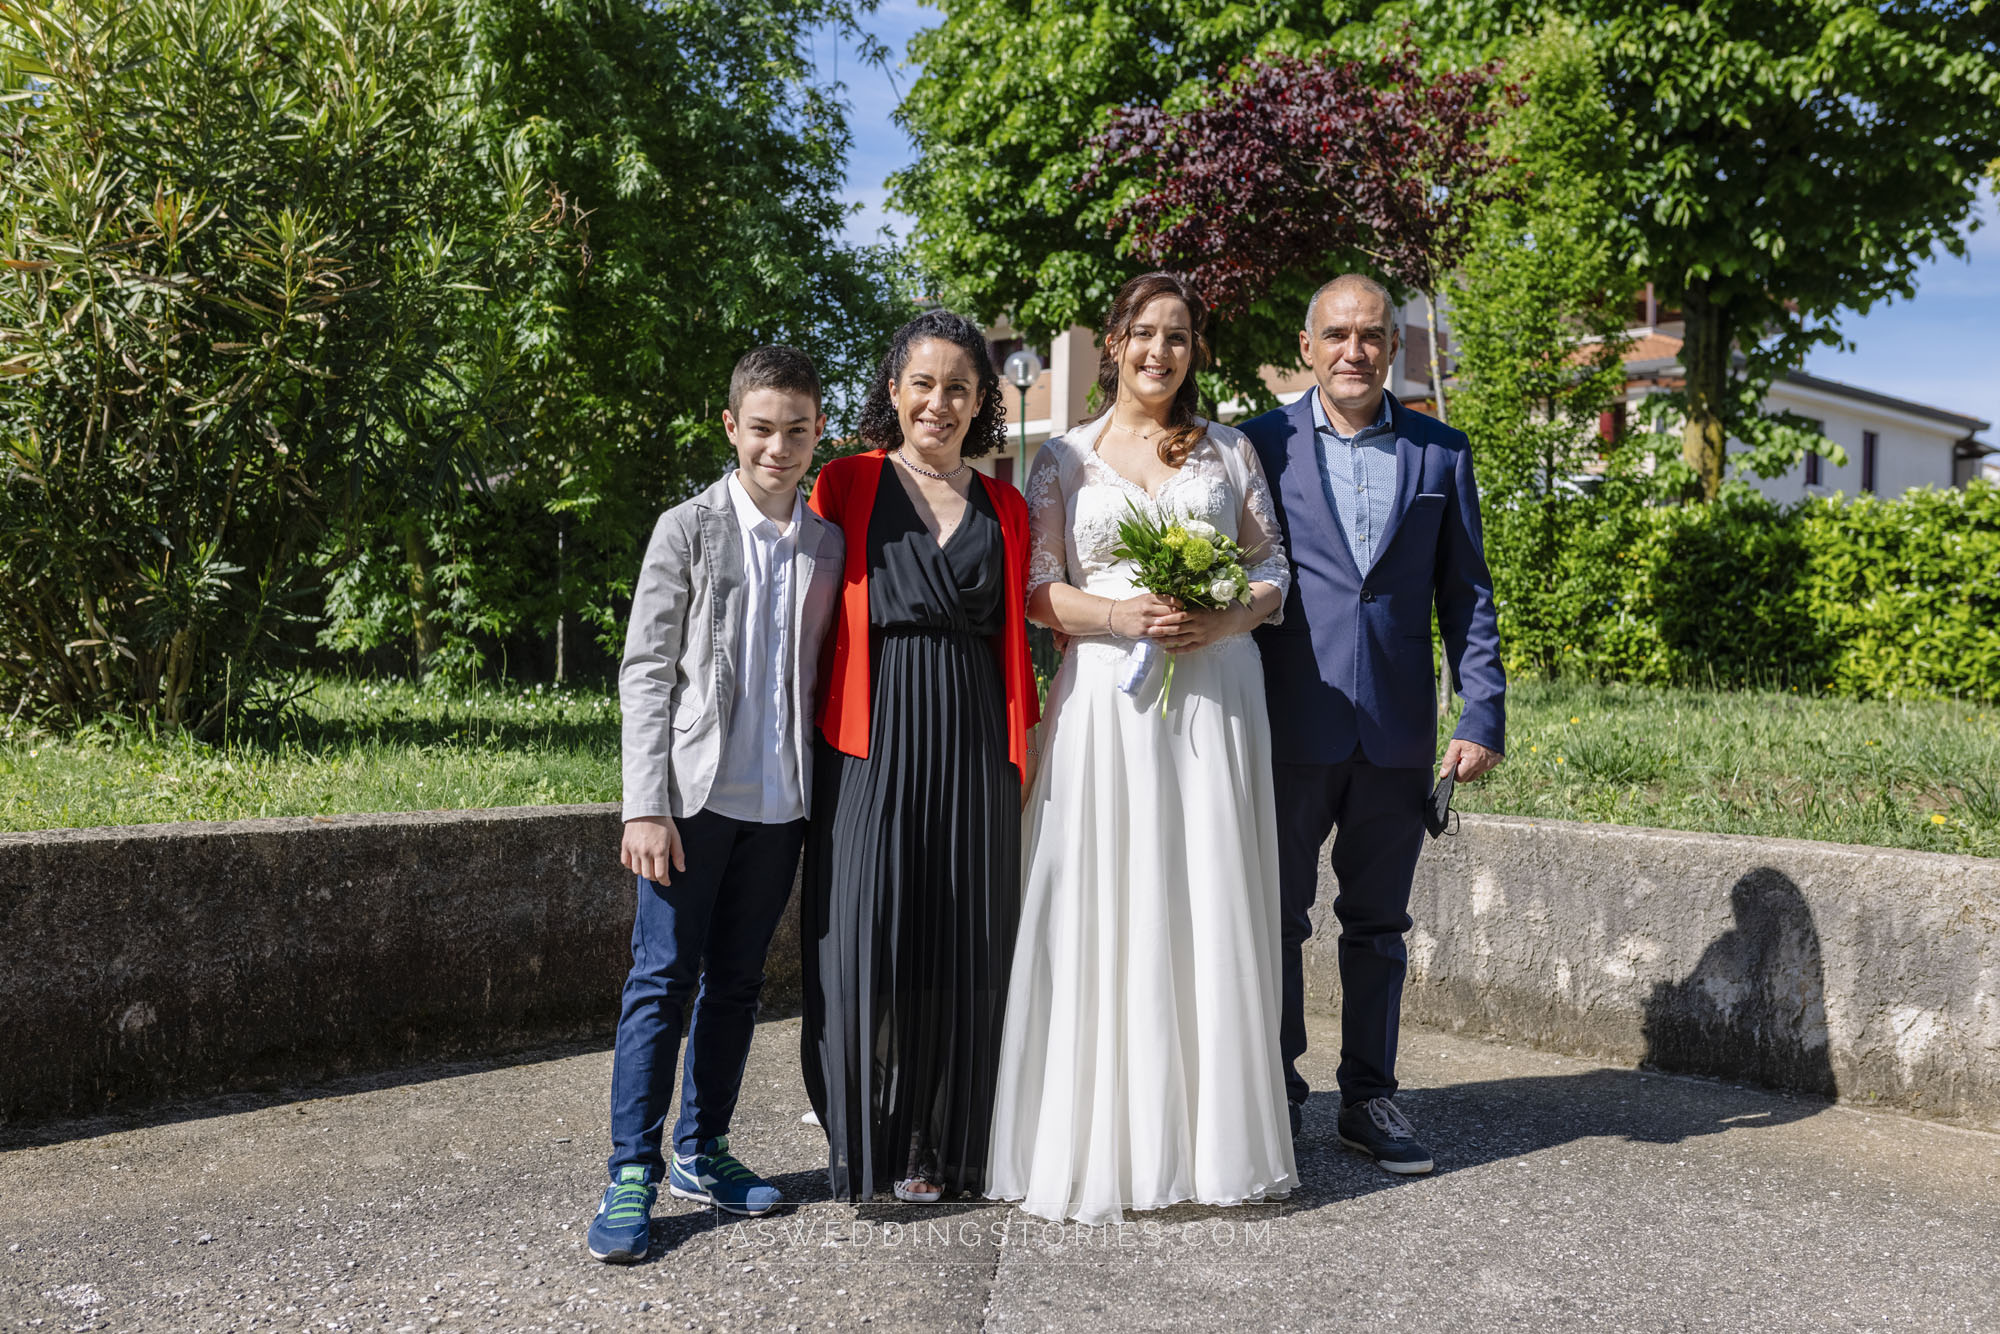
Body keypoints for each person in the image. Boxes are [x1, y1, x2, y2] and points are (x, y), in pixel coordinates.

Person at [985, 271, 1297, 1225]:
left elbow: (1274, 570)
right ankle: (1101, 1138)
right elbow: (1037, 590)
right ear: (1113, 343)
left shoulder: (1230, 450)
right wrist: (1120, 612)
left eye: (1179, 335)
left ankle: (1214, 1144)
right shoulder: (1062, 461)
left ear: (1195, 350)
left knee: (1206, 893)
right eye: (1144, 333)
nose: (1160, 351)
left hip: (1215, 694)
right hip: (1106, 711)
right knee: (1105, 896)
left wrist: (1225, 616)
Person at [1239, 273, 1506, 1176]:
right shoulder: (1257, 446)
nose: (1355, 351)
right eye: (1337, 335)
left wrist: (1483, 711)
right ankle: (1274, 1089)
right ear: (1308, 347)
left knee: (1378, 925)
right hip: (1288, 724)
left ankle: (1369, 1096)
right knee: (1273, 919)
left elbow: (1467, 595)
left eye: (1372, 336)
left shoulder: (1440, 452)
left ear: (1394, 349)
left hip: (1396, 734)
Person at [586, 346, 846, 1263]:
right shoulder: (686, 529)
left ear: (819, 432)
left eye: (798, 430)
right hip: (690, 807)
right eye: (763, 429)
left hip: (781, 807)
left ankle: (704, 1150)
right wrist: (643, 805)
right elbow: (647, 670)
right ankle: (632, 1171)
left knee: (737, 984)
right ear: (732, 427)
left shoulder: (826, 541)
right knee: (661, 981)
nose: (779, 447)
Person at [801, 310, 1040, 1204]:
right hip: (870, 734)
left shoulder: (1006, 505)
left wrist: (1026, 746)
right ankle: (870, 1142)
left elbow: (1018, 641)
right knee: (865, 935)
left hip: (977, 737)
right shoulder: (846, 483)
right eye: (924, 383)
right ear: (894, 390)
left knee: (969, 940)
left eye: (960, 388)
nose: (940, 402)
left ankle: (948, 1147)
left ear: (982, 404)